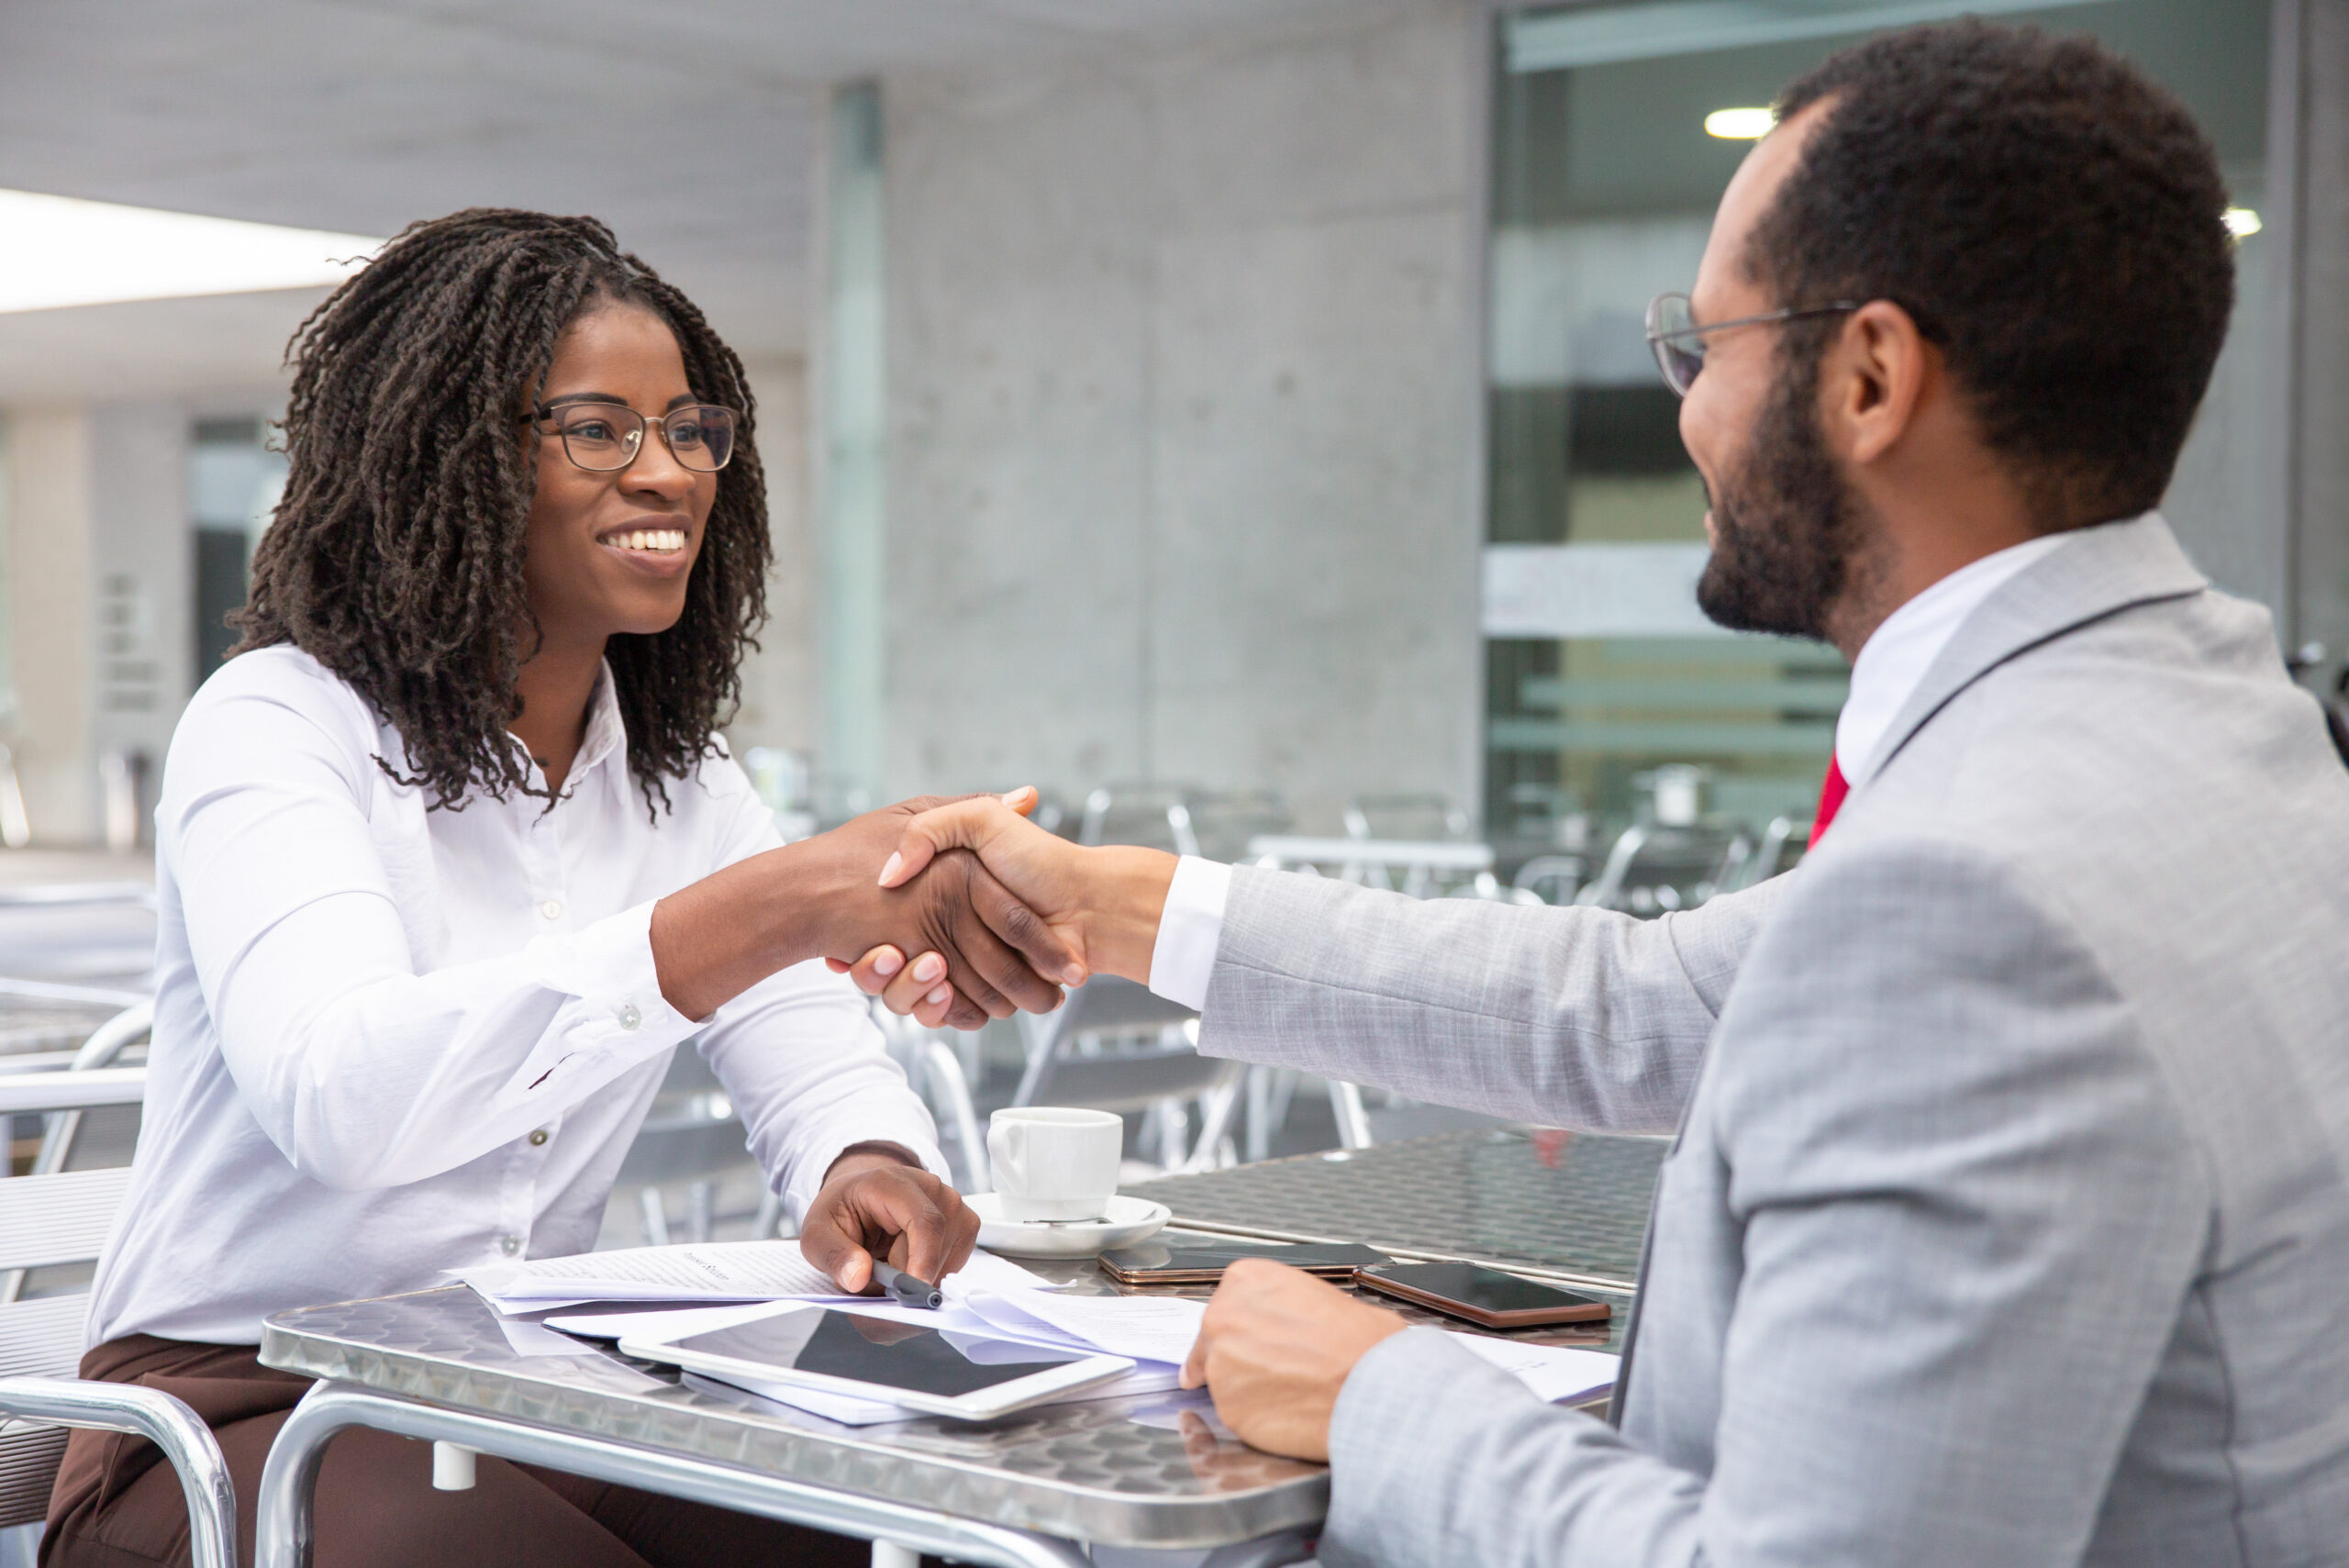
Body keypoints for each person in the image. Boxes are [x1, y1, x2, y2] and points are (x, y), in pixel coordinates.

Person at [847, 24, 2349, 1566]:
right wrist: (1110, 904)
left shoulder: (1974, 895)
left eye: (1706, 348)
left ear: (1872, 376)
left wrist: (1377, 1392)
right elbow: (1631, 1002)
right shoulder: (2238, 737)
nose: (1682, 411)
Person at [44, 210, 1076, 1568]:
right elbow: (342, 1098)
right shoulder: (278, 725)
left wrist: (865, 1163)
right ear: (451, 460)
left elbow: (812, 1063)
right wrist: (772, 904)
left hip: (518, 1388)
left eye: (690, 430)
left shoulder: (679, 782)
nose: (669, 473)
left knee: (909, 1533)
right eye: (597, 429)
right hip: (235, 1415)